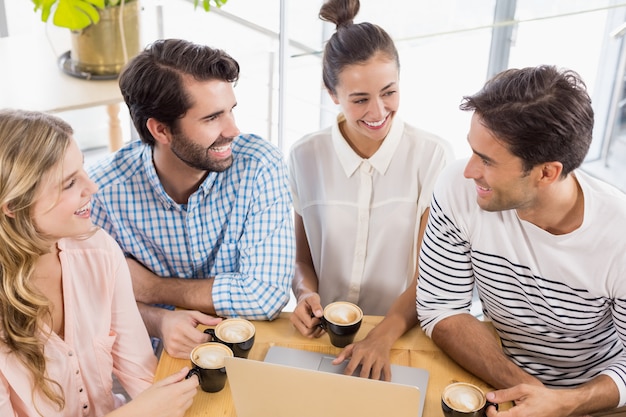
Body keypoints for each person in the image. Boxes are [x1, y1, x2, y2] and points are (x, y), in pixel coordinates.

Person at [416, 65, 626, 417]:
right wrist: (528, 391)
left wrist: (567, 403)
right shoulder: (457, 187)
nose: (469, 171)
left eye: (486, 161)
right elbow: (441, 307)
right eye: (473, 151)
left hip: (597, 396)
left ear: (547, 172)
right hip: (497, 380)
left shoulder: (619, 237)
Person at [87, 39, 296, 359]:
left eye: (231, 111)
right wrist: (158, 319)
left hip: (244, 349)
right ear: (161, 130)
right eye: (212, 118)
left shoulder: (259, 165)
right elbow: (91, 304)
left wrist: (153, 288)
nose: (233, 130)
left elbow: (265, 295)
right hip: (147, 361)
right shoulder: (102, 193)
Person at [288, 0, 453, 380]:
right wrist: (304, 294)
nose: (378, 111)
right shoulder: (304, 156)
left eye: (389, 92)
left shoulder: (432, 156)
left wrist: (381, 336)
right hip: (326, 337)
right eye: (360, 99)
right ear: (332, 94)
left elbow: (430, 277)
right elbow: (301, 259)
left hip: (399, 334)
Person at [0, 109, 198, 417]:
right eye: (69, 183)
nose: (91, 188)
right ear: (14, 206)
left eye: (82, 170)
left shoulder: (99, 251)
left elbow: (143, 376)